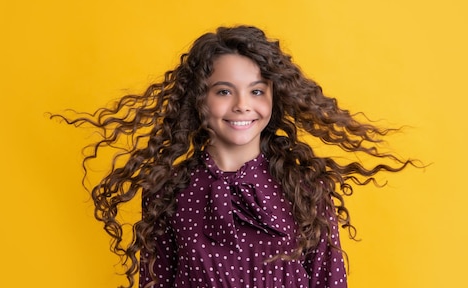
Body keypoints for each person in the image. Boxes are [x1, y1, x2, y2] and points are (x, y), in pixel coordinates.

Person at [53, 25, 414, 288]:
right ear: (198, 99)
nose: (243, 105)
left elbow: (328, 279)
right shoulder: (167, 192)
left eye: (257, 90)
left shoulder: (305, 189)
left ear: (274, 98)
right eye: (224, 91)